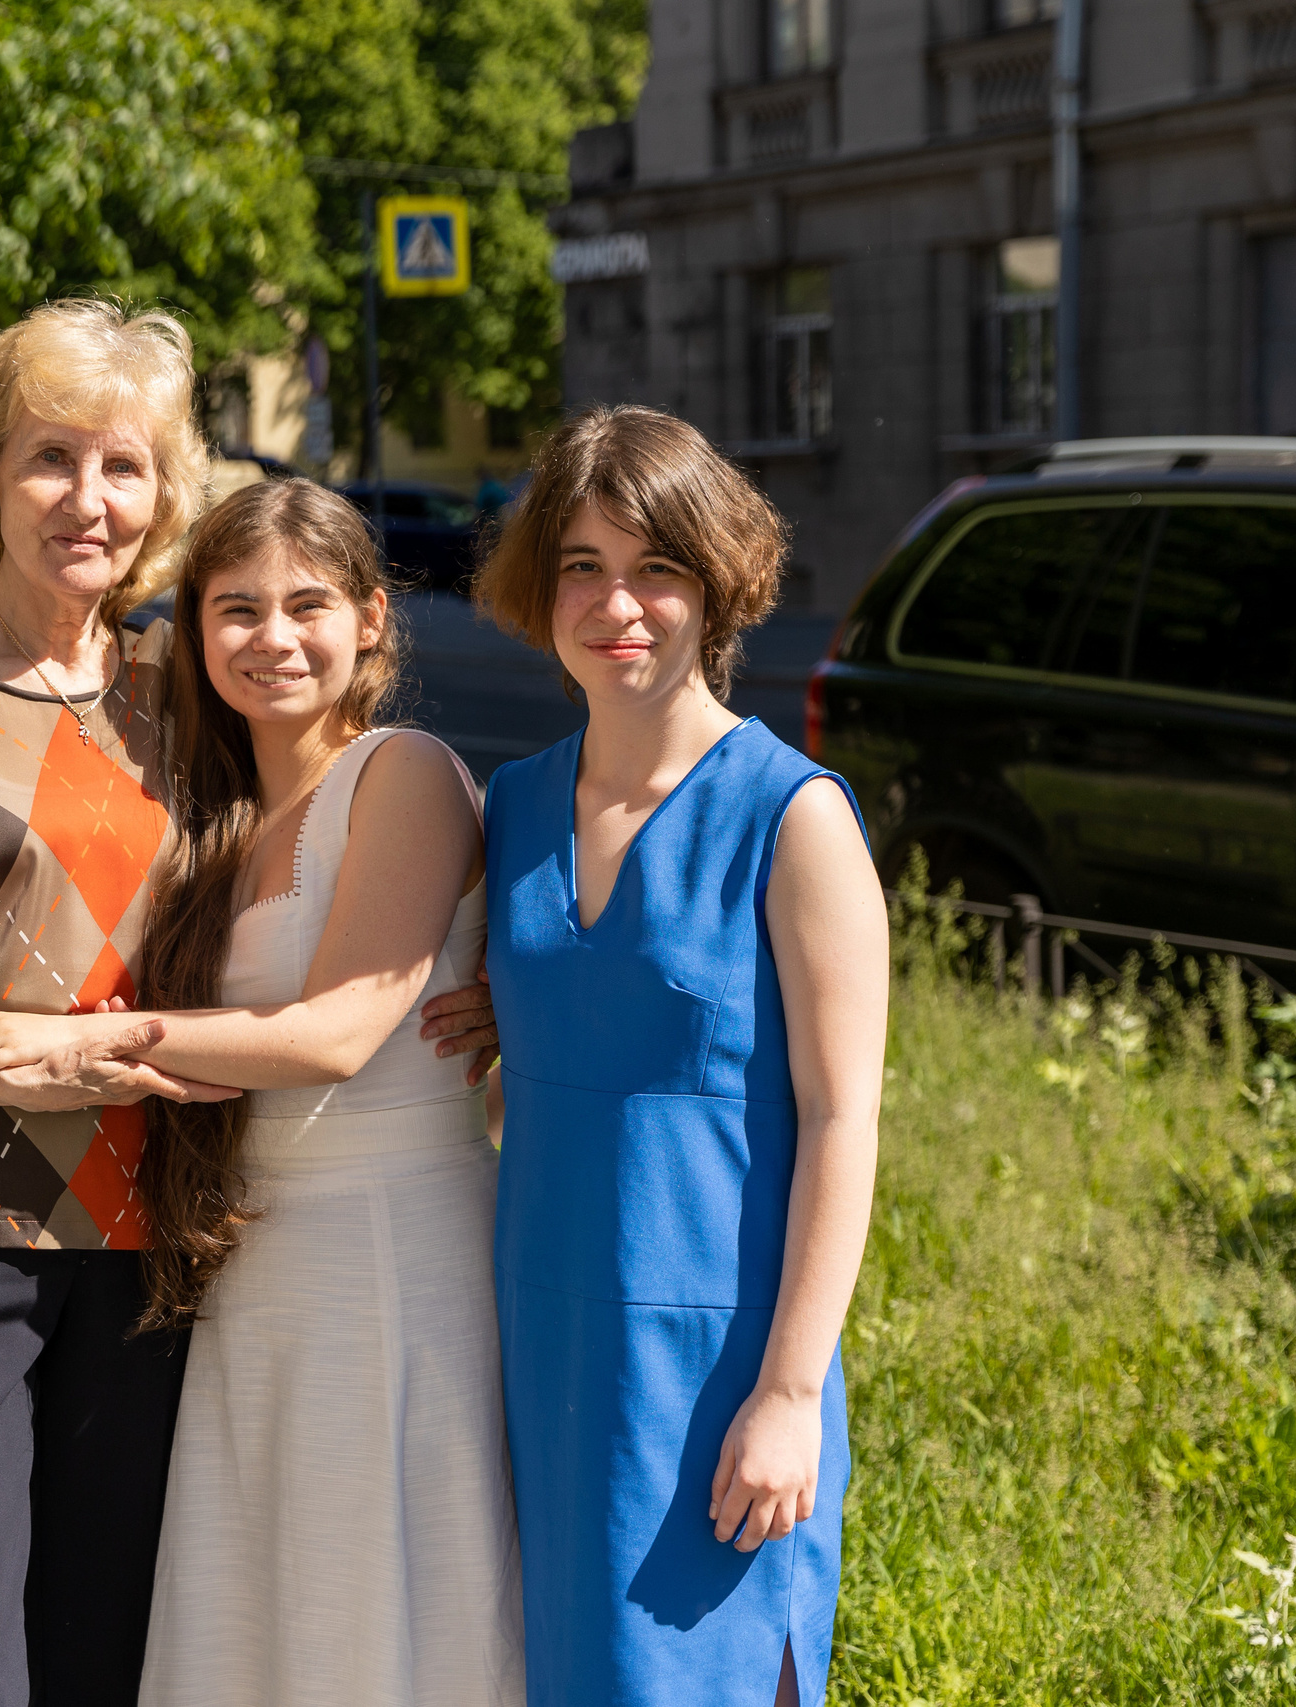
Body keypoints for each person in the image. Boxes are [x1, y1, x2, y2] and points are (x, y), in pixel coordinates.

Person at [0, 301, 498, 1707]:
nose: (86, 501)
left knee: (108, 1660)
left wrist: (495, 985)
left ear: (163, 492)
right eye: (50, 459)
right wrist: (4, 1071)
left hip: (155, 1247)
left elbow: (341, 871)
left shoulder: (178, 690)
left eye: (124, 465)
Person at [0, 478, 522, 1707]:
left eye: (308, 605)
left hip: (389, 1250)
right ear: (194, 631)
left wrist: (75, 1045)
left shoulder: (399, 771)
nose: (273, 637)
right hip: (255, 1249)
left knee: (376, 1593)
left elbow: (343, 1030)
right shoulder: (223, 815)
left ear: (372, 622)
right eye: (235, 608)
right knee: (262, 1600)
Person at [473, 405, 886, 1707]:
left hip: (719, 1369)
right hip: (544, 1349)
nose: (618, 605)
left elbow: (841, 1119)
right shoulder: (516, 804)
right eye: (582, 566)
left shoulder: (794, 815)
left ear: (719, 582)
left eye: (657, 566)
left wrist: (788, 1390)